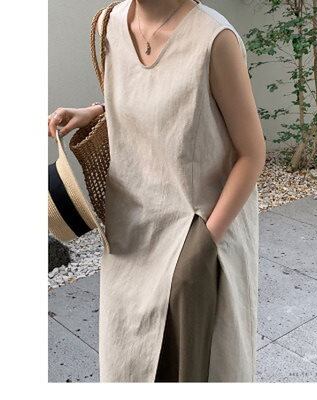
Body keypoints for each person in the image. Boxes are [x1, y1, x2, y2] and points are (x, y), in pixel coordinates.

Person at [48, 0, 266, 382]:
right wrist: (94, 112)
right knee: (128, 359)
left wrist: (203, 244)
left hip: (197, 228)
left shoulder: (214, 40)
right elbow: (151, 101)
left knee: (193, 368)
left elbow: (252, 153)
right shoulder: (109, 24)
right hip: (130, 230)